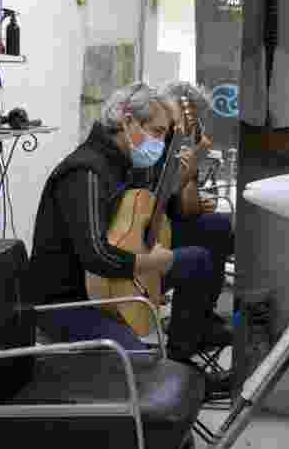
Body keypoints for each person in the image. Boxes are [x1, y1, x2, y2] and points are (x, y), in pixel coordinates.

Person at [27, 82, 230, 392]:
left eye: (166, 134)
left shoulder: (126, 164)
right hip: (69, 302)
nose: (161, 143)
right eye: (157, 132)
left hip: (112, 283)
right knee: (139, 365)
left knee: (201, 256)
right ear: (127, 122)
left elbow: (141, 220)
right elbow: (96, 255)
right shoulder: (85, 172)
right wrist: (150, 263)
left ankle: (181, 354)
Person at [152, 81, 235, 355]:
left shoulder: (177, 144)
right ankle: (183, 345)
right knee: (202, 251)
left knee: (219, 227)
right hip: (143, 234)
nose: (176, 128)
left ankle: (199, 321)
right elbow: (162, 203)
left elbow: (185, 207)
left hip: (164, 225)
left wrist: (193, 160)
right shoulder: (151, 142)